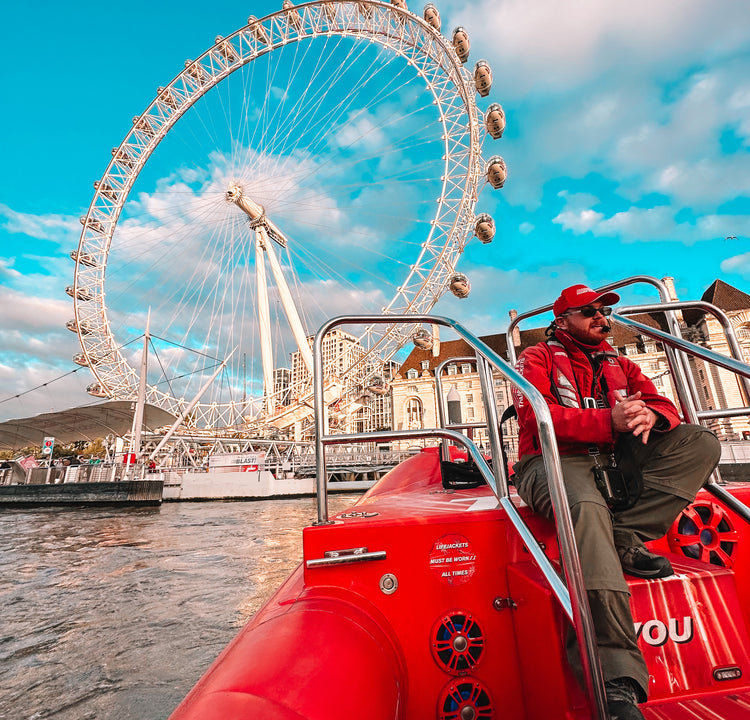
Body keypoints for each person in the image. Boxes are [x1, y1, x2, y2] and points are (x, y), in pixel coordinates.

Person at [511, 284, 721, 720]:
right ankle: (614, 677)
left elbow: (665, 403)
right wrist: (608, 419)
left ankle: (623, 532)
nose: (601, 318)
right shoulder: (536, 358)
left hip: (612, 458)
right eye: (588, 312)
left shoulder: (619, 361)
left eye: (604, 311)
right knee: (585, 510)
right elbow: (537, 417)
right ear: (562, 319)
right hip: (550, 460)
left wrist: (653, 415)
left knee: (700, 442)